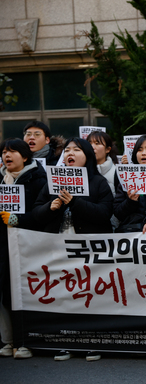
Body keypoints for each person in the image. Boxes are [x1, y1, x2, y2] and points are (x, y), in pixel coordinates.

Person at [33, 138, 113, 362]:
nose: (70, 153)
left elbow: (105, 214)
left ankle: (92, 342)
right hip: (57, 246)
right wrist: (51, 207)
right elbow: (36, 214)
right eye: (67, 150)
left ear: (87, 155)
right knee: (62, 294)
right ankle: (65, 342)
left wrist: (75, 202)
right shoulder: (52, 183)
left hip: (88, 249)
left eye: (76, 150)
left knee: (90, 294)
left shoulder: (98, 183)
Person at [0, 139, 47, 360]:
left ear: (25, 157)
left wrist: (19, 219)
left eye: (12, 152)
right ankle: (9, 340)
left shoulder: (40, 179)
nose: (6, 156)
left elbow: (44, 214)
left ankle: (25, 341)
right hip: (4, 244)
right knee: (6, 295)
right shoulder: (1, 180)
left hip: (30, 244)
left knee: (25, 292)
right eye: (4, 152)